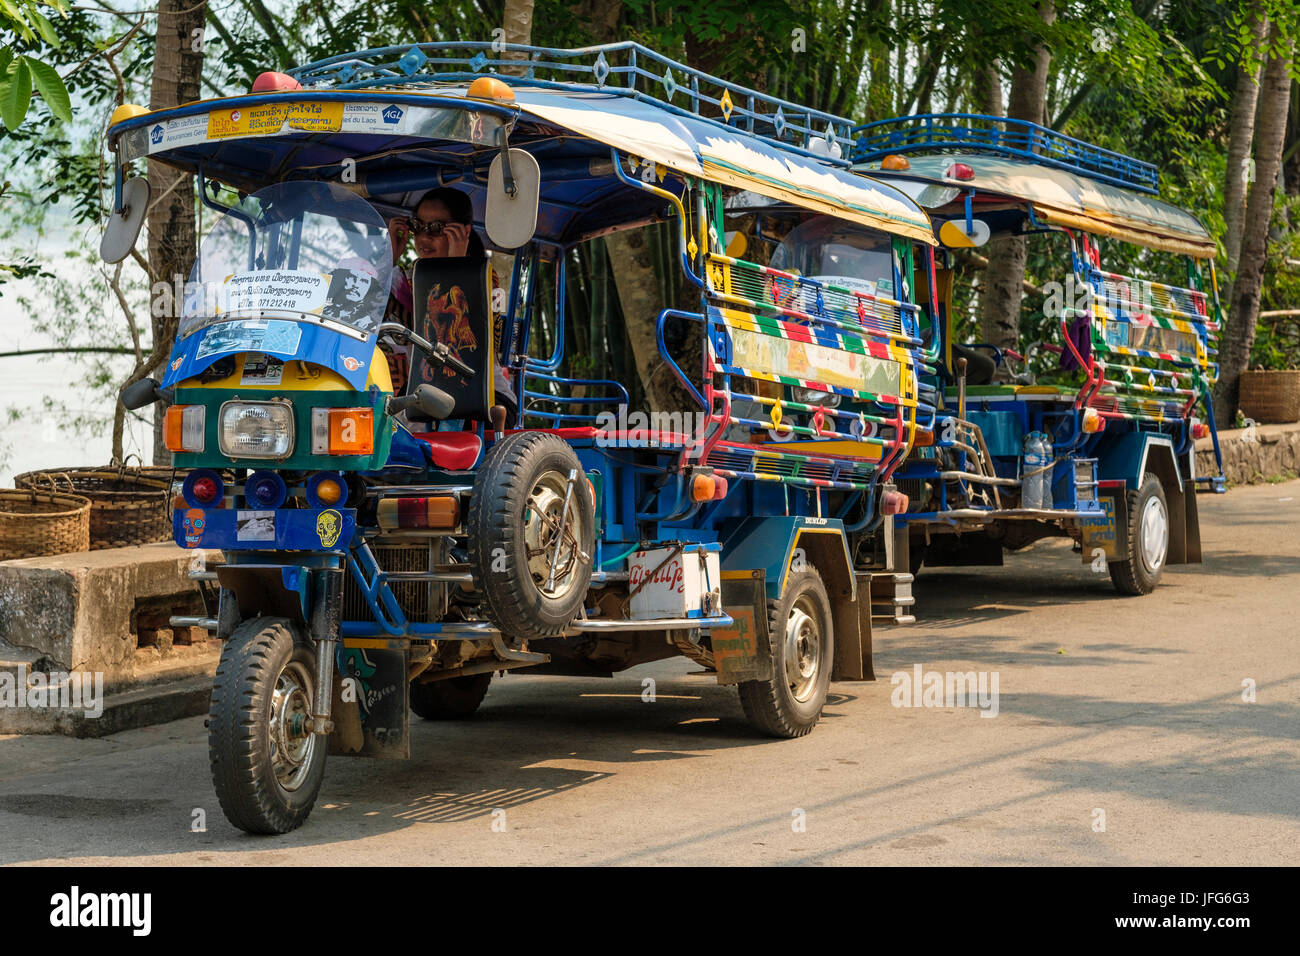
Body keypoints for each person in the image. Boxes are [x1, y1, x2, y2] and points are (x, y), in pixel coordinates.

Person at [383, 188, 514, 422]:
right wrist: (391, 255)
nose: (424, 238)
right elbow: (365, 318)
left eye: (436, 229)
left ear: (462, 231)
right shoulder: (406, 282)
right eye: (418, 226)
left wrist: (455, 268)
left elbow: (465, 347)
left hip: (482, 393)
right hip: (423, 389)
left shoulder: (485, 279)